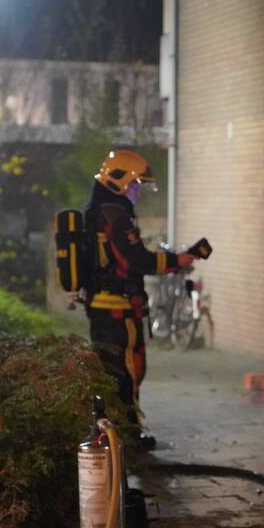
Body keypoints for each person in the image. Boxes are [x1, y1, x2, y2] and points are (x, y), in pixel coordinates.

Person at [83, 149, 195, 425]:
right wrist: (175, 260)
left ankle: (112, 431)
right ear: (118, 181)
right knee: (129, 371)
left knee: (110, 371)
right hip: (118, 311)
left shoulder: (99, 212)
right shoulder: (114, 215)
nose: (137, 192)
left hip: (103, 306)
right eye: (135, 185)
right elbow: (134, 259)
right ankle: (129, 435)